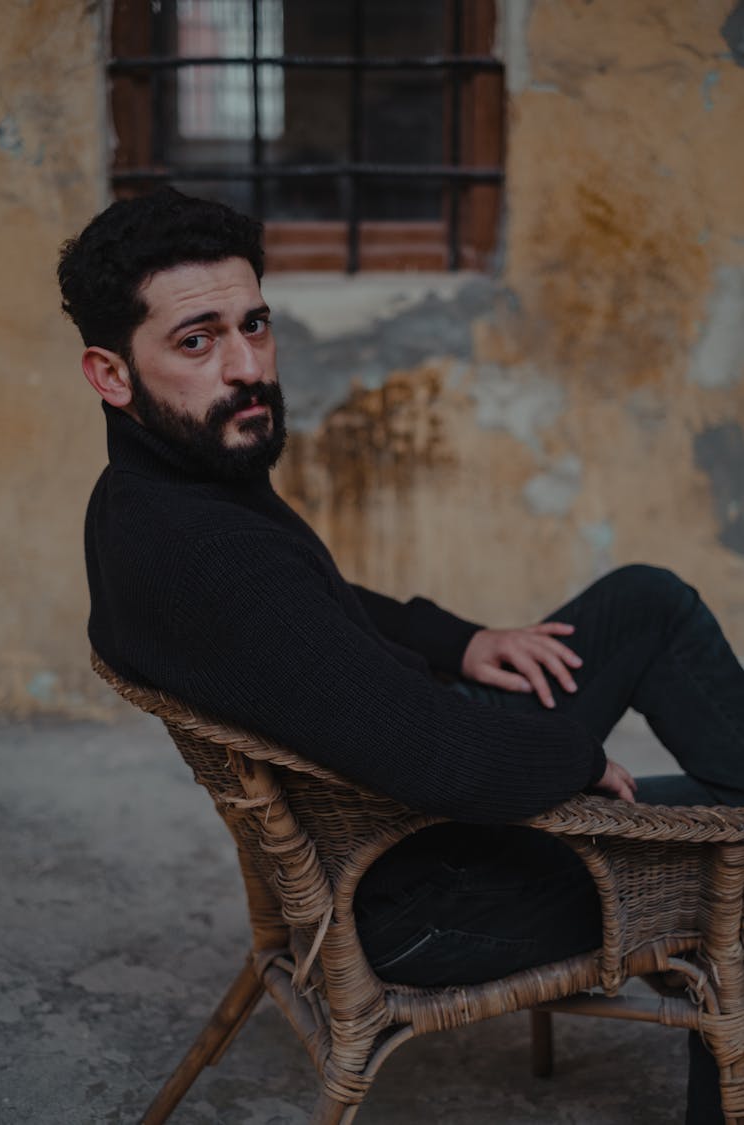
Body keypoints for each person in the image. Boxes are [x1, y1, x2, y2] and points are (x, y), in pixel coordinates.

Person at [58, 188, 744, 1123]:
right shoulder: (207, 555)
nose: (247, 366)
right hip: (419, 891)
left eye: (254, 325)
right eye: (197, 340)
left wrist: (465, 641)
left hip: (396, 820)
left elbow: (325, 605)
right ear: (110, 372)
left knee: (643, 605)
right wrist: (578, 758)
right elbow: (441, 758)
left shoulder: (149, 494)